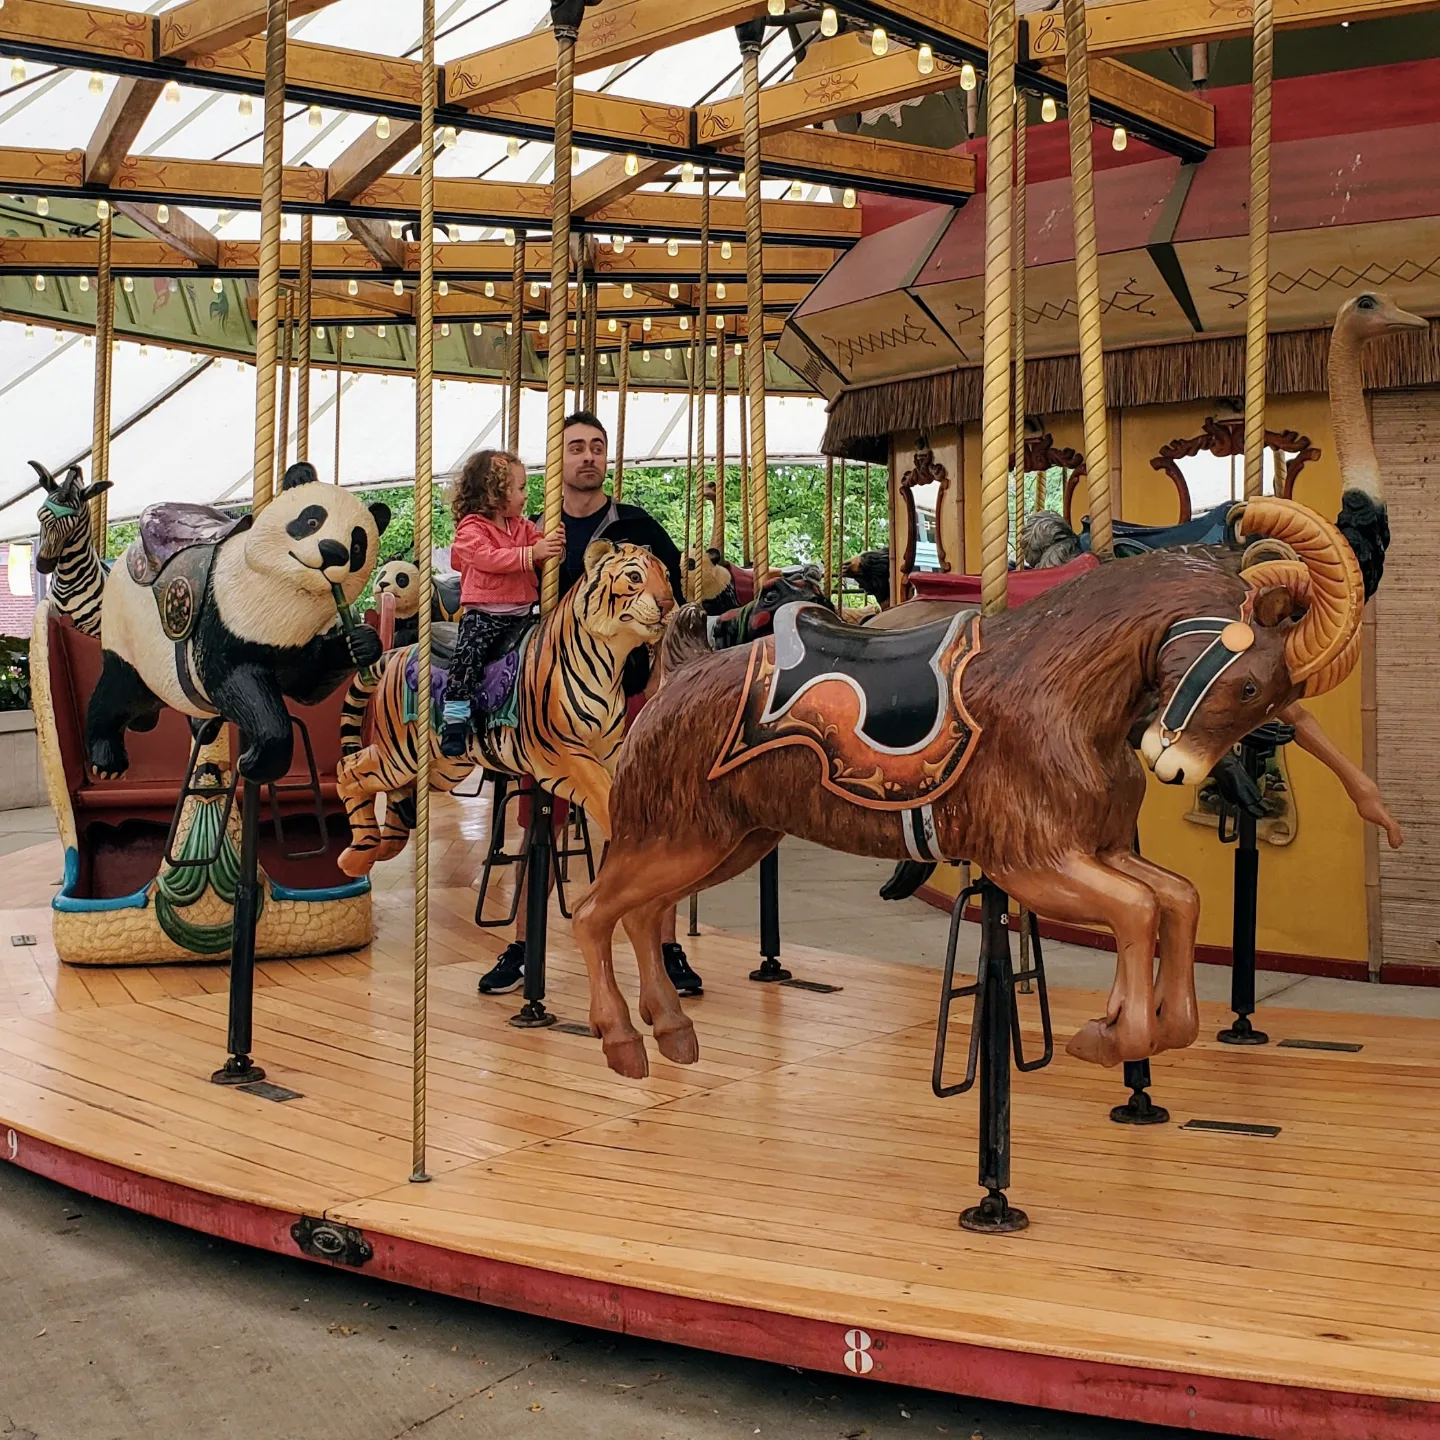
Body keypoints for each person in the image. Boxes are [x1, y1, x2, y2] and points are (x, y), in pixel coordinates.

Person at [477, 411, 704, 999]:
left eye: (596, 447)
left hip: (624, 694)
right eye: (576, 447)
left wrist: (659, 681)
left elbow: (672, 603)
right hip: (551, 702)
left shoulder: (637, 526)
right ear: (559, 458)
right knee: (538, 820)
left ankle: (666, 944)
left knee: (641, 818)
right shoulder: (533, 531)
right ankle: (525, 944)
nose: (587, 457)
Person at [440, 449, 563, 759]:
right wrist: (531, 554)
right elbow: (488, 558)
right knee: (468, 658)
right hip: (484, 615)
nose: (526, 494)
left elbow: (540, 548)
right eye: (520, 488)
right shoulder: (471, 530)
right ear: (495, 491)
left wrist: (553, 545)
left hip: (523, 614)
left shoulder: (521, 526)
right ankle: (455, 718)